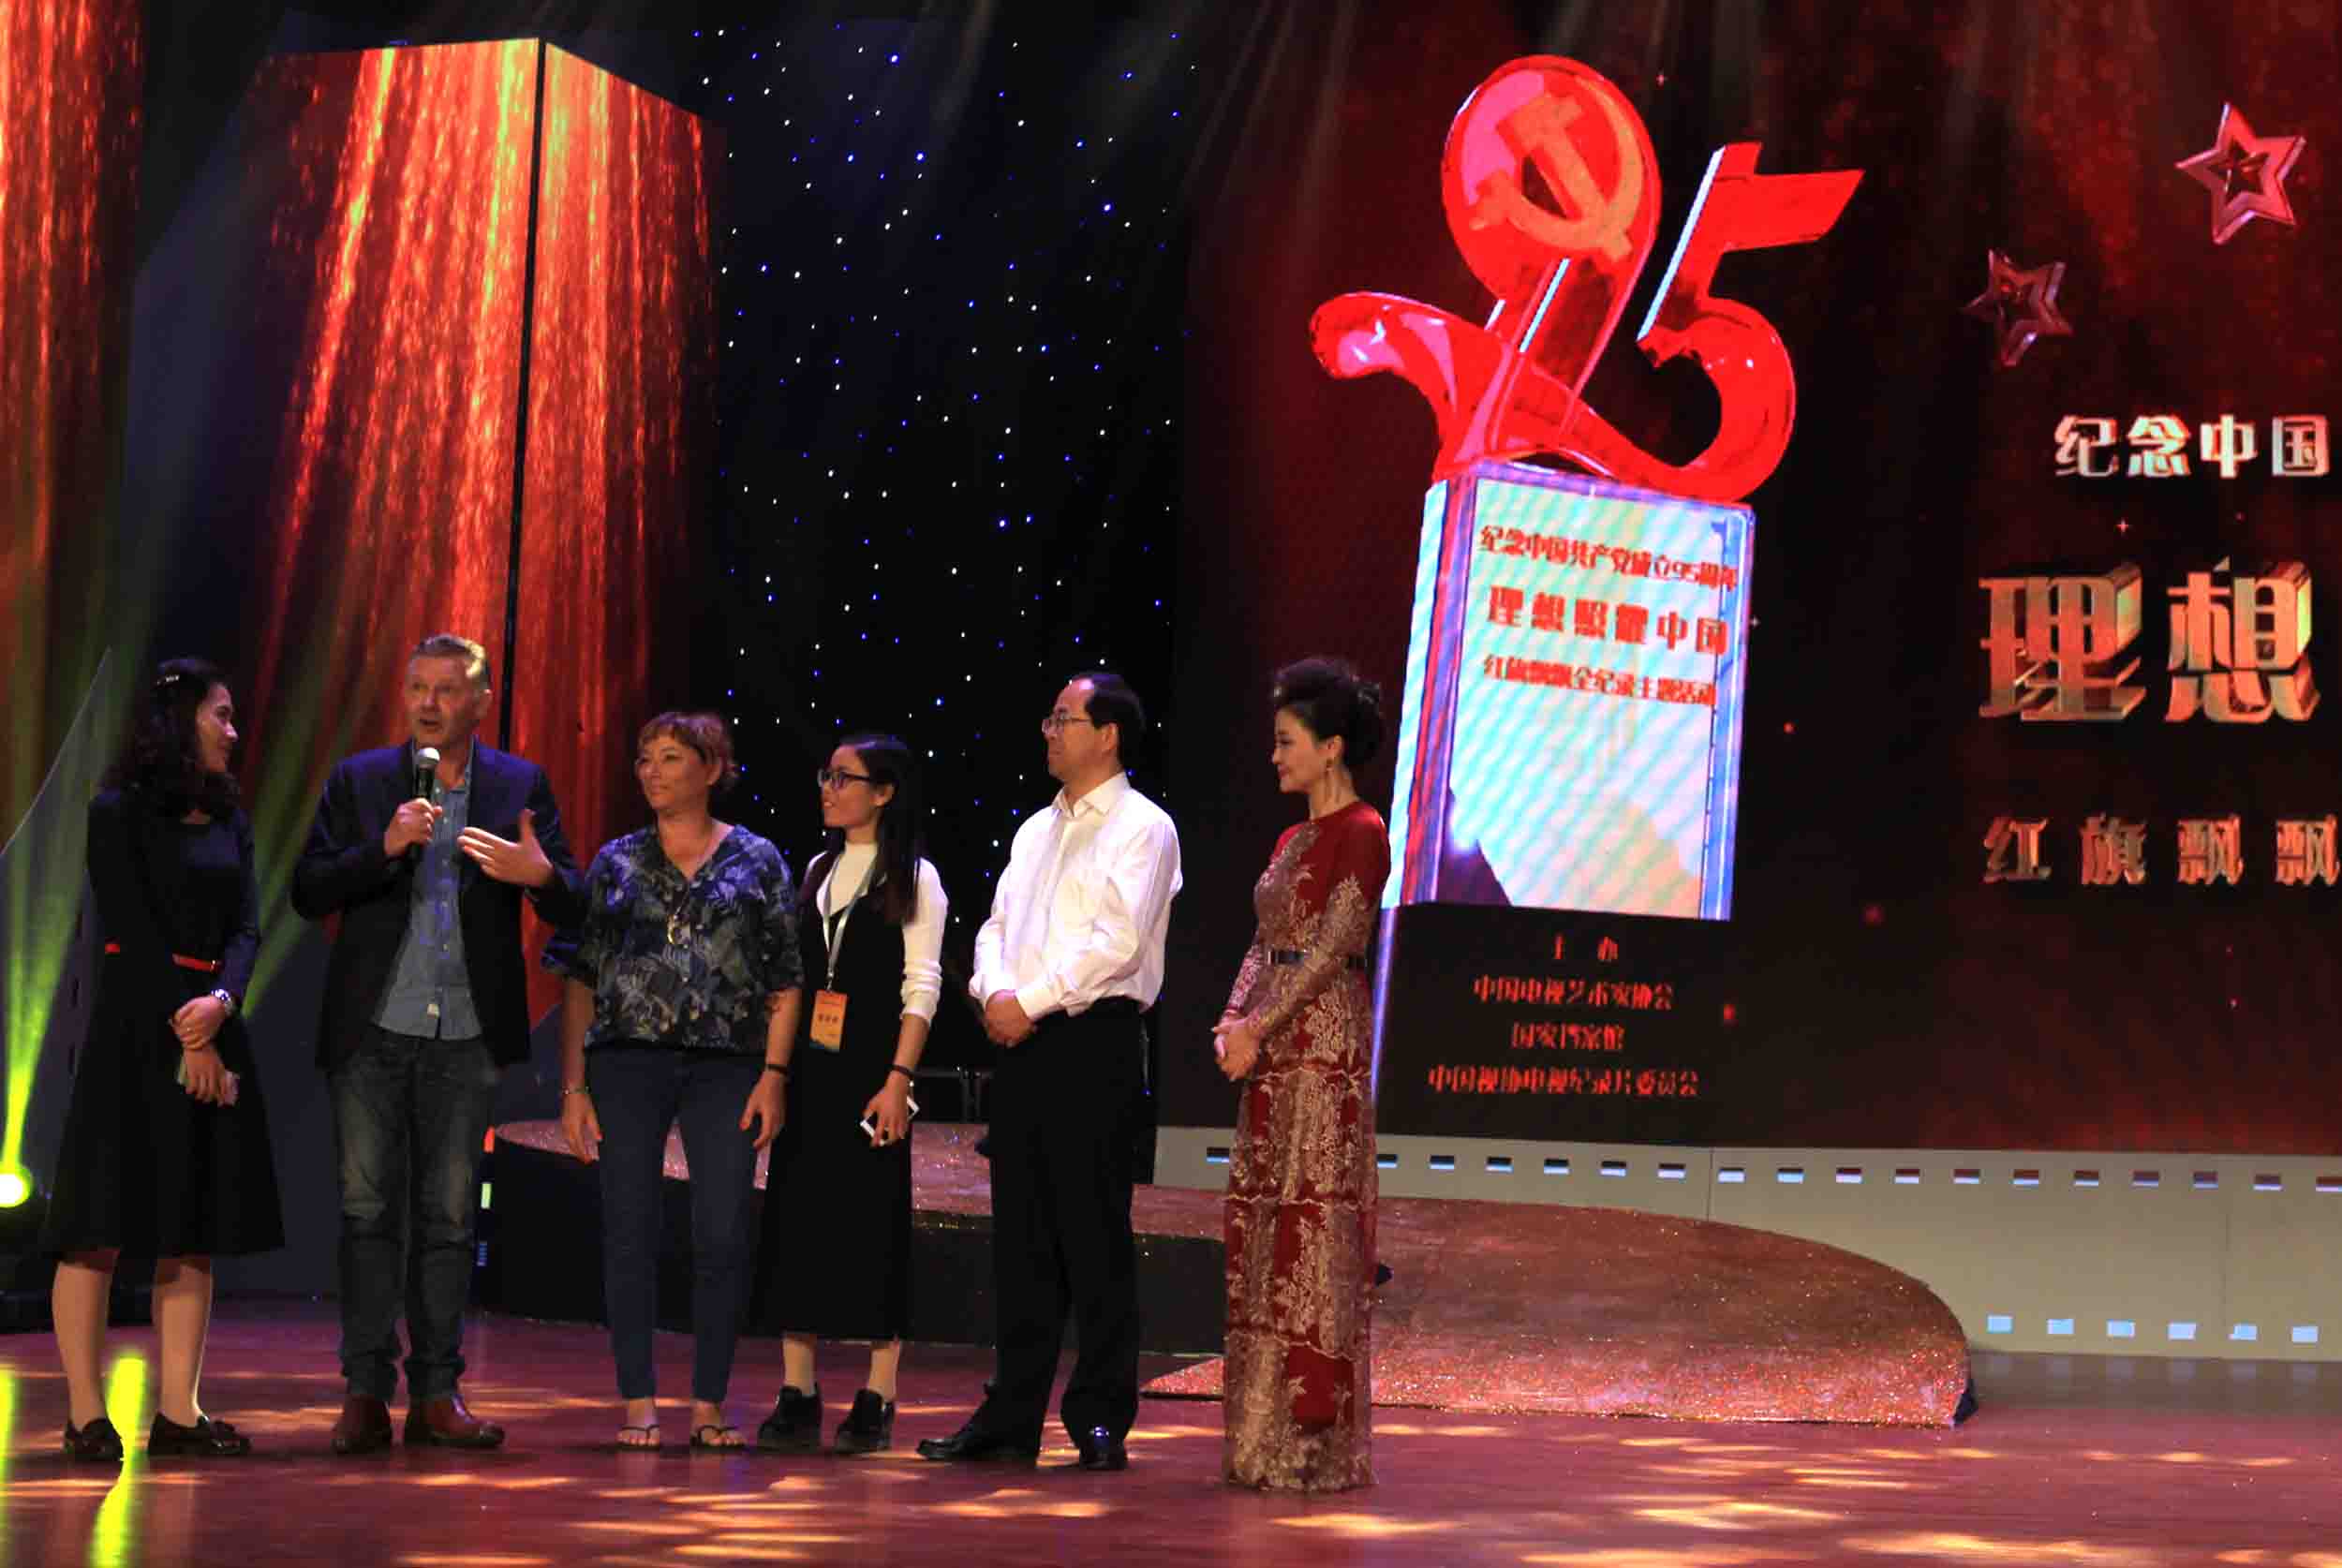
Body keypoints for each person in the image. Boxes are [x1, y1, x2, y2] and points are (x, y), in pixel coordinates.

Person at [291, 633, 585, 1455]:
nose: (427, 703)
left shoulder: (519, 785)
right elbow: (306, 890)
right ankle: (362, 1391)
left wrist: (542, 877)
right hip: (373, 1028)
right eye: (416, 686)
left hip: (465, 1032)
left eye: (446, 690)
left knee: (451, 1219)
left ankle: (438, 1393)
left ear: (481, 701)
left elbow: (574, 904)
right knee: (365, 1213)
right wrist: (380, 848)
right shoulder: (361, 782)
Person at [920, 673, 1181, 1472]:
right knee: (1023, 1242)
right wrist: (994, 989)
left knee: (1093, 1237)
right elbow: (999, 924)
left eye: (1065, 719)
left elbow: (1117, 945)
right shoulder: (1036, 828)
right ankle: (1011, 1416)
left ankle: (1100, 1418)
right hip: (1022, 1041)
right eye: (1049, 719)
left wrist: (1027, 999)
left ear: (1108, 735)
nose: (1049, 732)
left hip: (1091, 1042)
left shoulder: (1145, 827)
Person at [42, 659, 283, 1461]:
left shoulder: (230, 818)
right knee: (100, 1226)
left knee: (192, 1226)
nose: (233, 730)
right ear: (180, 721)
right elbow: (130, 927)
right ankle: (84, 1412)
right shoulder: (116, 813)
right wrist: (189, 1030)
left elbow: (248, 925)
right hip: (138, 1029)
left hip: (210, 1017)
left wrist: (223, 1006)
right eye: (221, 714)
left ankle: (179, 1412)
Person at [555, 713, 803, 1451]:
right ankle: (637, 1399)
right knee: (628, 1228)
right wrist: (573, 1087)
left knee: (721, 1233)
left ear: (712, 767)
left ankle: (708, 1403)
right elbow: (579, 977)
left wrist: (776, 1076)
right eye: (644, 758)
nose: (652, 772)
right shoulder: (616, 862)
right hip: (627, 1063)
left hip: (727, 1067)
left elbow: (785, 981)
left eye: (670, 758)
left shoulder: (757, 860)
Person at [1213, 657, 1390, 1491]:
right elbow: (1265, 940)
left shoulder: (1364, 830)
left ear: (1332, 747)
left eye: (1288, 742)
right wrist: (1231, 1020)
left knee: (1310, 1237)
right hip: (1272, 1051)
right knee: (1261, 1233)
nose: (1275, 756)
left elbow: (1327, 954)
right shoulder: (1290, 838)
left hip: (1321, 1050)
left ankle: (1310, 1441)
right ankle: (1258, 1436)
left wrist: (1261, 1025)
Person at [755, 733, 948, 1455]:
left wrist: (899, 1080)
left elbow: (921, 987)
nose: (828, 788)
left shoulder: (916, 878)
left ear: (885, 792)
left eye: (845, 778)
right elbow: (795, 982)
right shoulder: (816, 869)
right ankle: (798, 1390)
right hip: (812, 1073)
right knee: (797, 1224)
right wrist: (775, 1074)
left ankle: (878, 1395)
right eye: (825, 774)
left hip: (872, 1078)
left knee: (873, 1228)